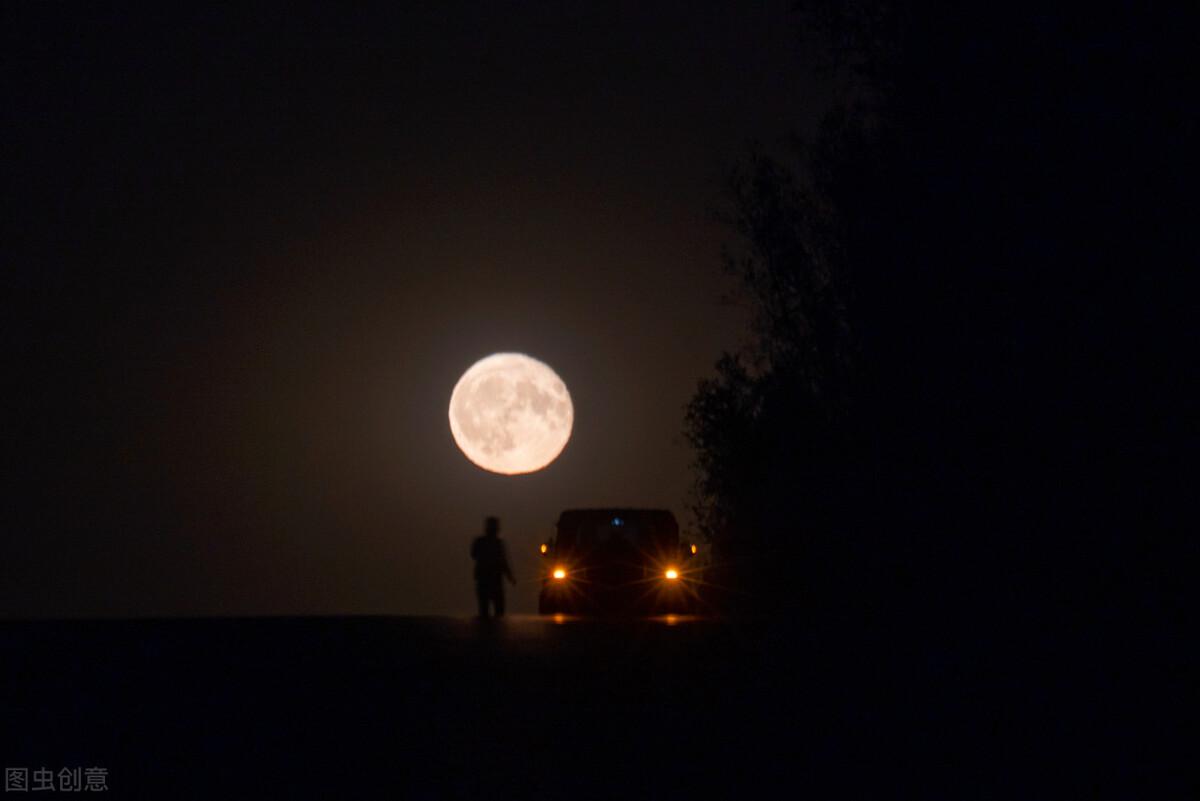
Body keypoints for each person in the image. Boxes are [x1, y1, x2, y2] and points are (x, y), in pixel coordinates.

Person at [470, 516, 516, 618]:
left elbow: (473, 554)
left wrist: (510, 577)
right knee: (496, 611)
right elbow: (503, 562)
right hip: (492, 580)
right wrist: (510, 577)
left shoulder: (481, 542)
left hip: (486, 580)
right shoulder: (497, 543)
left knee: (486, 610)